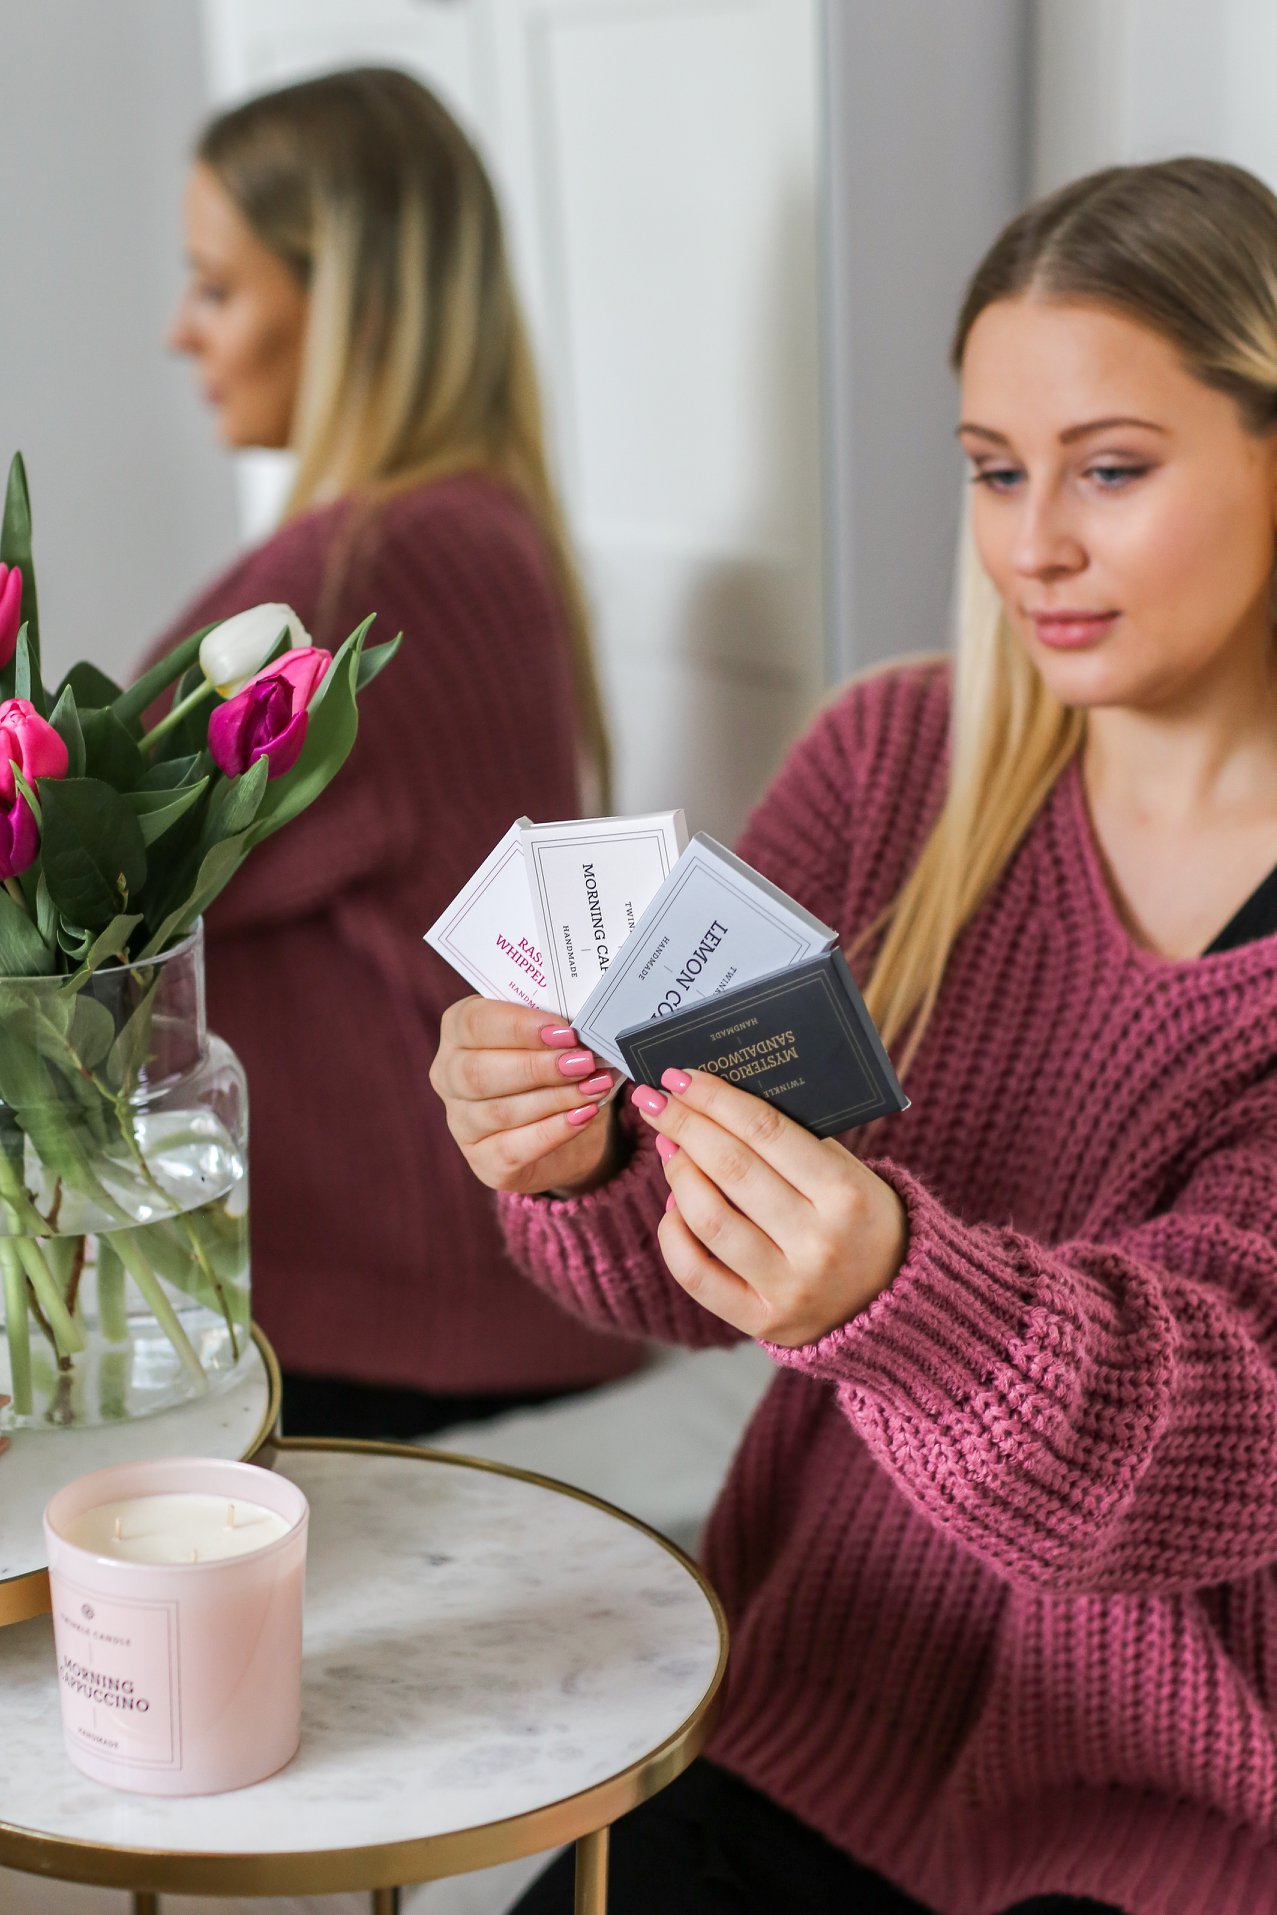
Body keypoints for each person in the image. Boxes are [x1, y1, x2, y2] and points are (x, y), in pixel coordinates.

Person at [432, 154, 1277, 1914]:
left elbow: (1218, 1445)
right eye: (993, 469)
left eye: (1109, 468)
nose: (1032, 544)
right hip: (814, 1693)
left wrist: (891, 1289)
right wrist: (579, 1158)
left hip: (1180, 1814)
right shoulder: (892, 767)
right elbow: (675, 1291)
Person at [144, 67, 643, 1439]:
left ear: (351, 302)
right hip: (445, 1295)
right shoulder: (463, 531)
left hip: (407, 1324)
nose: (182, 331)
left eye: (217, 287)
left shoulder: (379, 569)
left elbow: (83, 850)